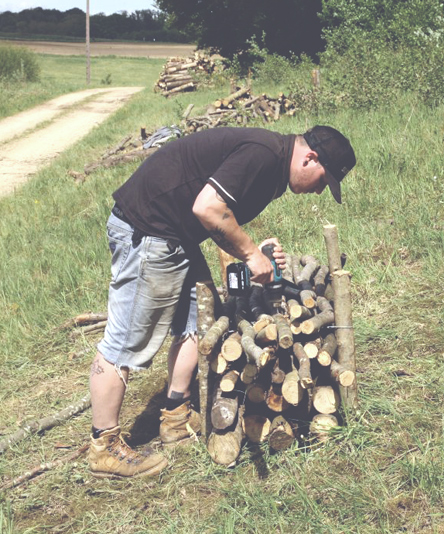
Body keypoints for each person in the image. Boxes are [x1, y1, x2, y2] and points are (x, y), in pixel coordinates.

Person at [87, 125, 356, 478]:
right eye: (324, 181)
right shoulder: (263, 153)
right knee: (124, 343)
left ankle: (175, 417)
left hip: (176, 235)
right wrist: (249, 254)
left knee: (195, 322)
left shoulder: (273, 164)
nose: (320, 191)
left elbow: (218, 217)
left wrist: (253, 252)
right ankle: (103, 446)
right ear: (310, 158)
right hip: (149, 231)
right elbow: (208, 208)